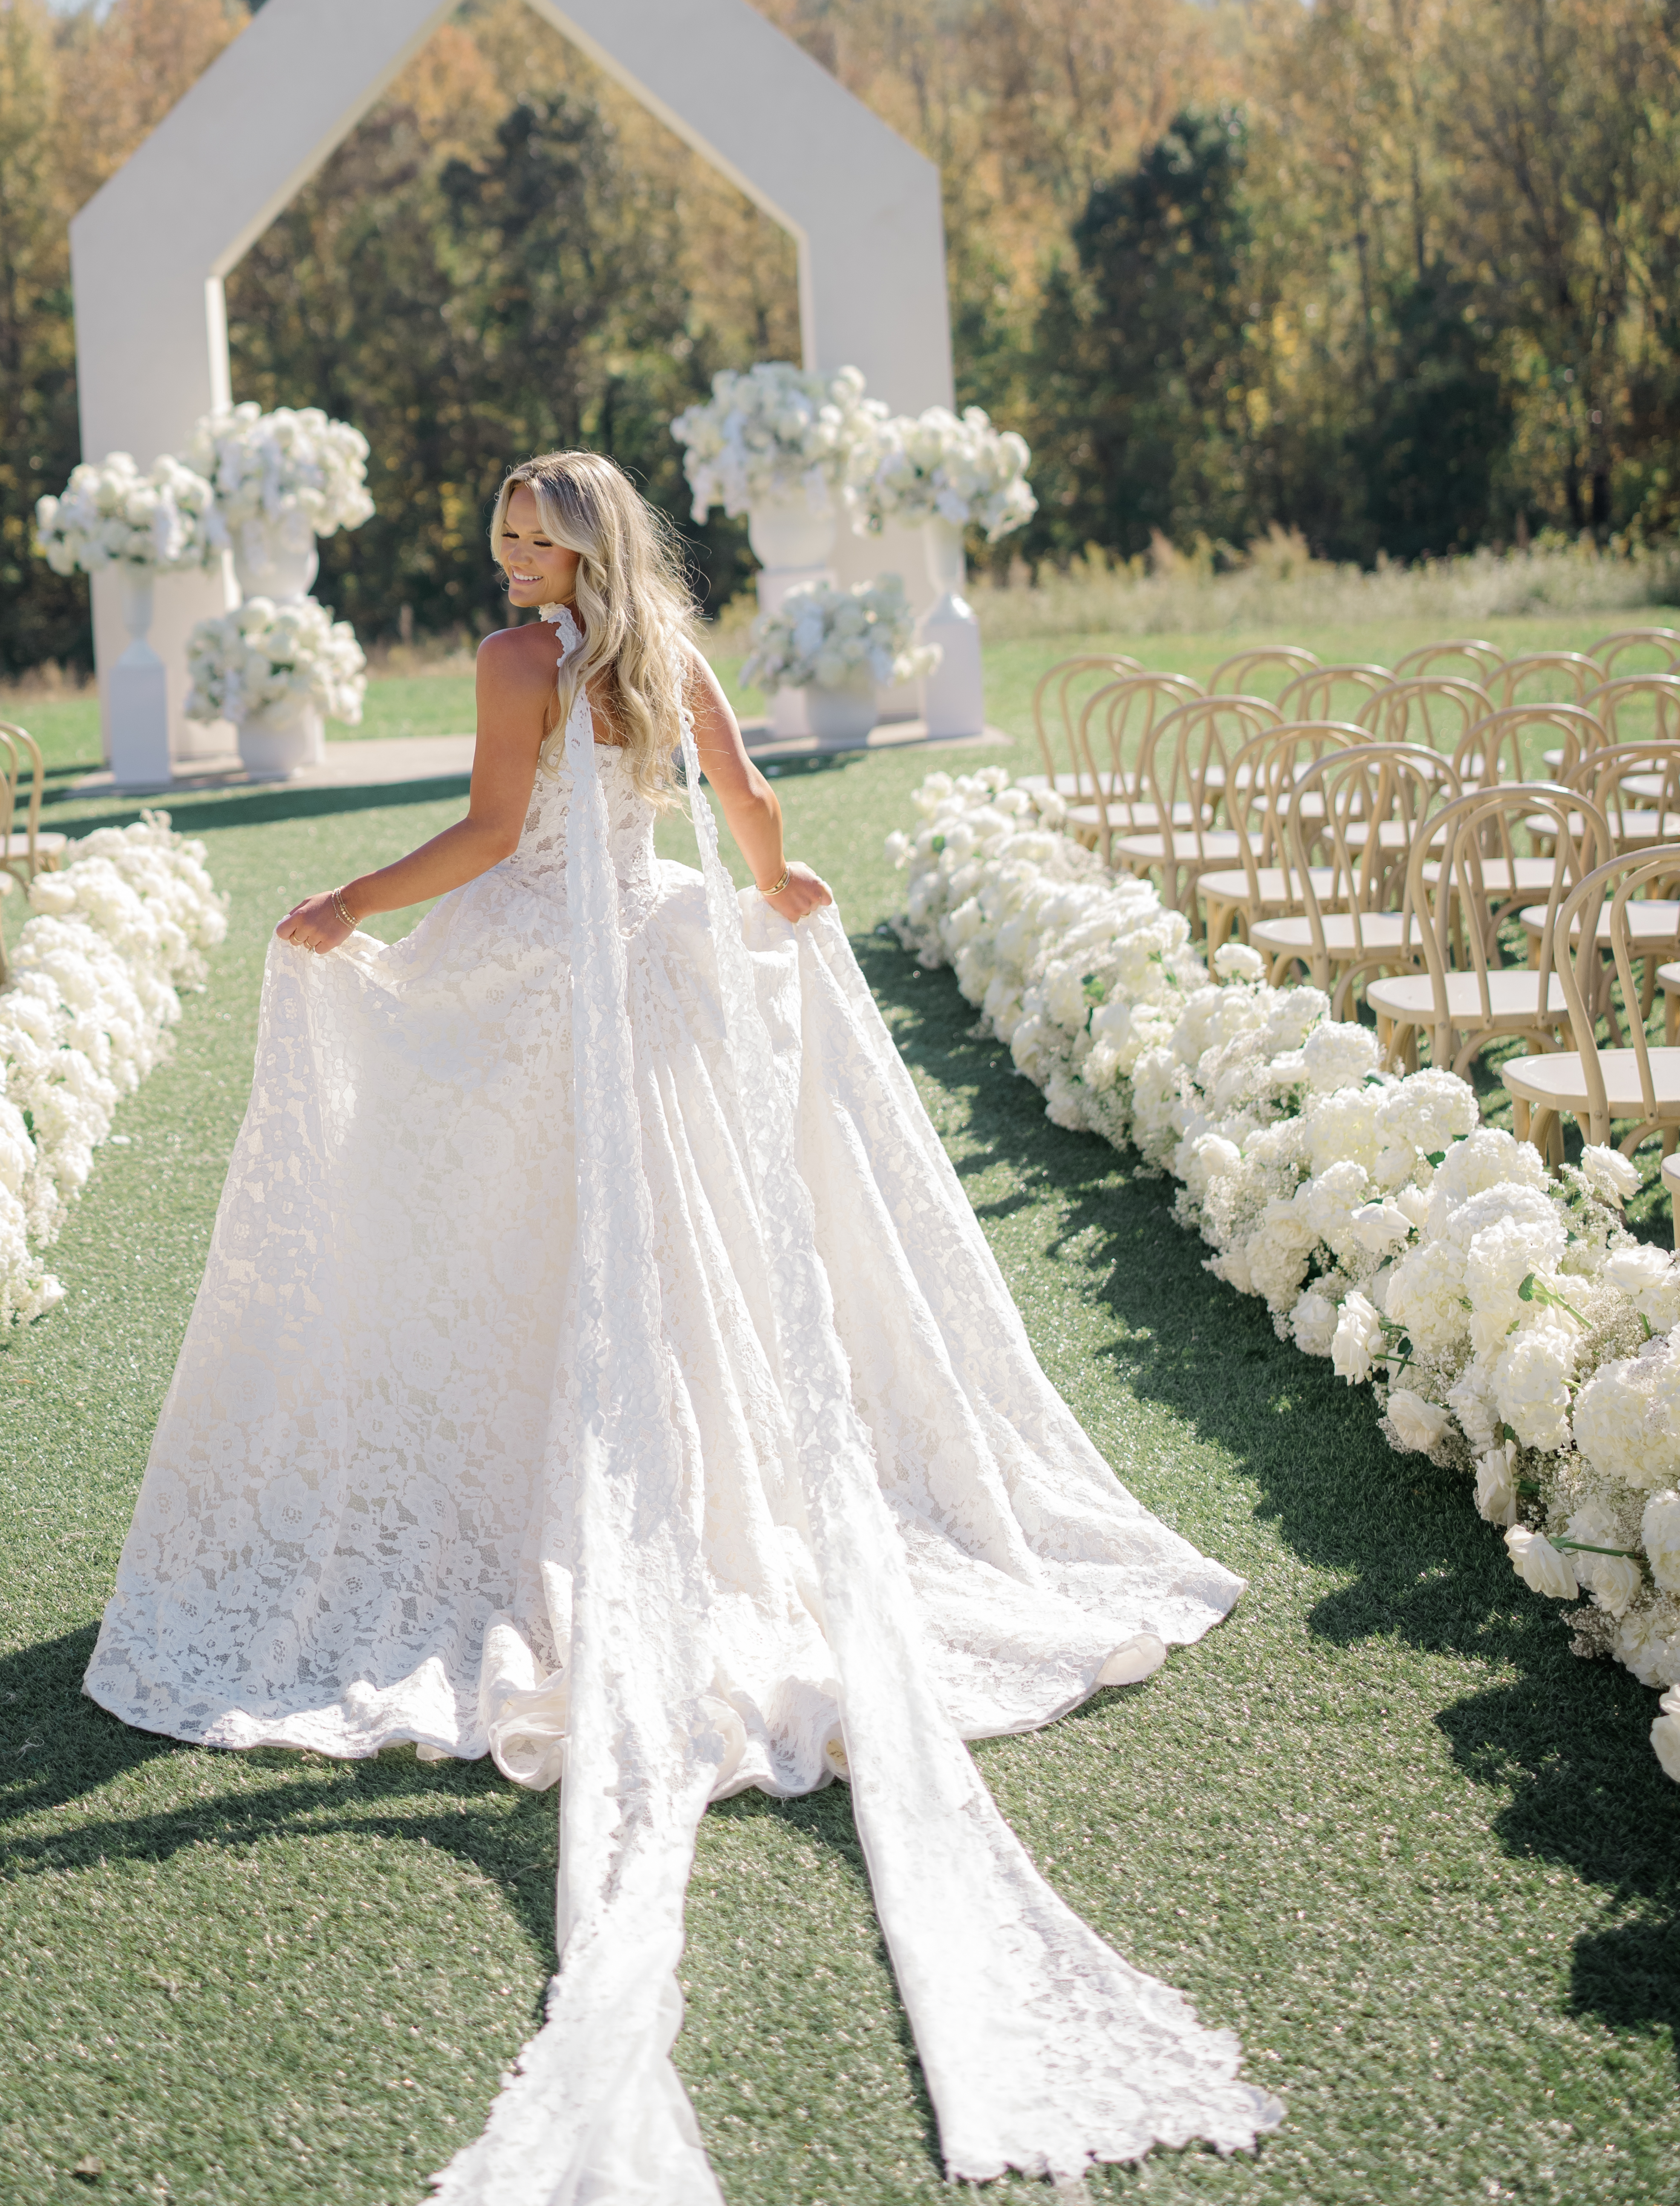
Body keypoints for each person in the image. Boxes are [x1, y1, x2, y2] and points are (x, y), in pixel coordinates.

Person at [87, 452, 1279, 2194]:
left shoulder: (517, 666)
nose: (505, 560)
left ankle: (564, 1506)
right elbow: (743, 811)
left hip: (556, 976)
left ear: (579, 542)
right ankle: (684, 1493)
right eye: (497, 532)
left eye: (525, 534)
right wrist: (784, 891)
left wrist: (352, 900)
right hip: (663, 962)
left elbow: (499, 835)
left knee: (541, 1241)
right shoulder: (669, 650)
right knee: (685, 1254)